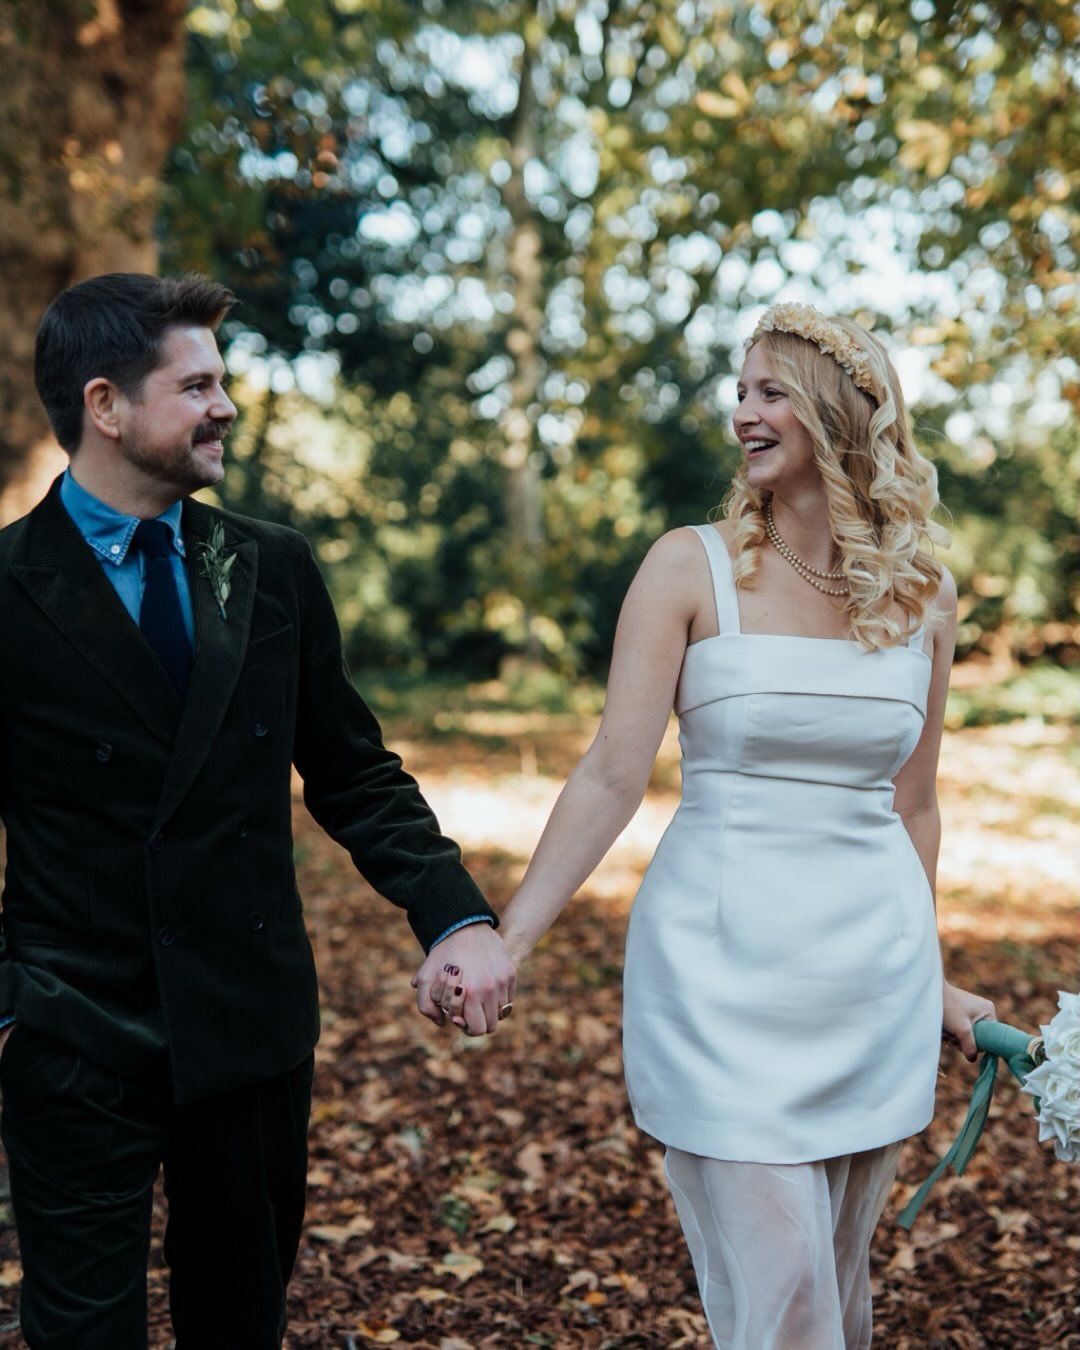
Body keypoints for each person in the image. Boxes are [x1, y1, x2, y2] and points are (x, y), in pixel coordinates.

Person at [441, 302, 995, 1348]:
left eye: (770, 391)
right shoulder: (688, 568)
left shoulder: (923, 593)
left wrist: (930, 980)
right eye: (739, 392)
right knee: (786, 1299)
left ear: (840, 413)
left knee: (832, 1286)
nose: (742, 412)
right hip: (722, 981)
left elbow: (915, 804)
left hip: (867, 985)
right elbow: (612, 774)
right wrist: (509, 937)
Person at [0, 271, 516, 1349]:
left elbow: (351, 768)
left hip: (249, 1022)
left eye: (221, 382)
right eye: (196, 386)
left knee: (240, 1325)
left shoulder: (270, 567)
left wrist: (456, 916)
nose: (224, 406)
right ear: (106, 406)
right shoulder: (6, 585)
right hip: (71, 1025)